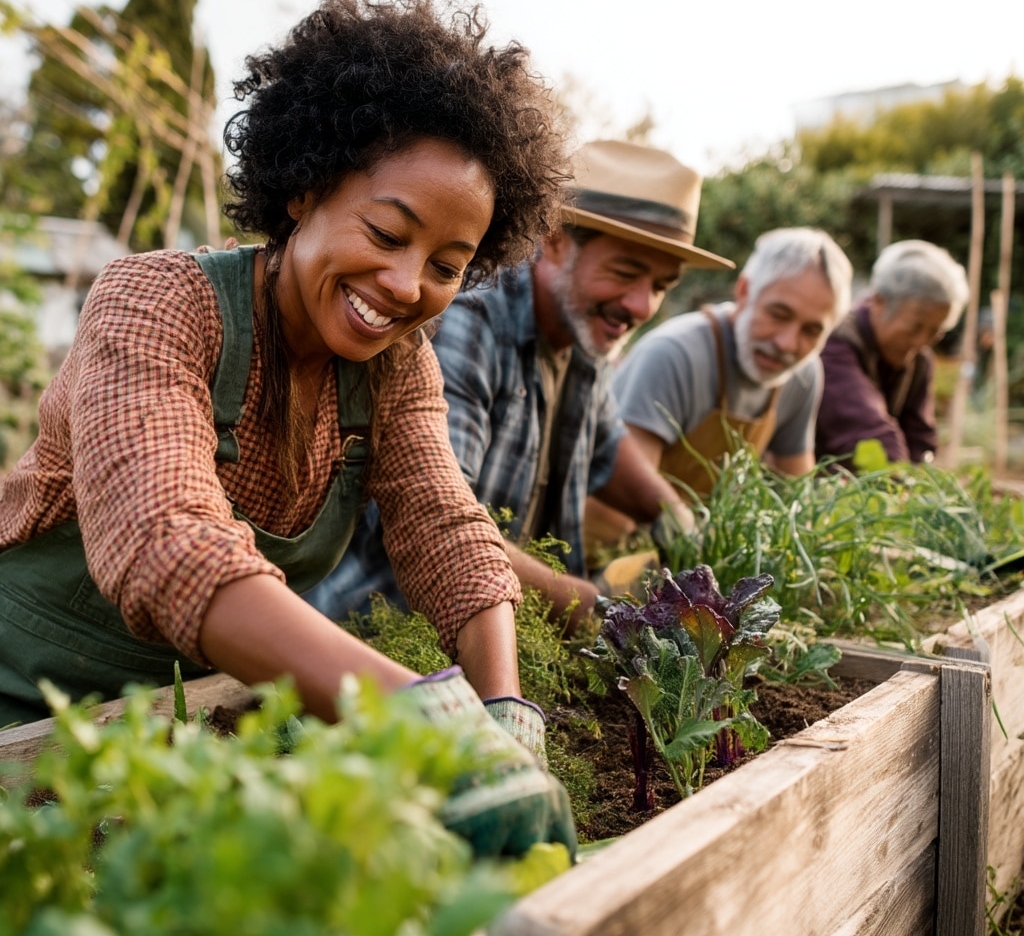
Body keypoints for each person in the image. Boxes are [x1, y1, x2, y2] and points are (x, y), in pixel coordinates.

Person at [0, 0, 576, 858]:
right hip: (18, 714)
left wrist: (502, 719)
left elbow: (448, 531)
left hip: (169, 737)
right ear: (306, 189)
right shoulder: (156, 303)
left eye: (448, 265)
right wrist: (419, 716)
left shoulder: (393, 367)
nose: (407, 284)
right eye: (387, 233)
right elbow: (168, 540)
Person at [306, 139, 735, 629]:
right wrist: (591, 606)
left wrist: (678, 519)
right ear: (554, 240)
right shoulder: (470, 320)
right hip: (386, 635)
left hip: (496, 631)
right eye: (625, 273)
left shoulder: (580, 335)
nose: (640, 306)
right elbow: (436, 524)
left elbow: (608, 449)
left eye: (661, 286)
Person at [607, 227, 853, 501]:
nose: (787, 344)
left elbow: (795, 491)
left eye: (811, 331)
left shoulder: (803, 374)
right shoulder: (673, 355)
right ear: (744, 291)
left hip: (697, 537)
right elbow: (628, 486)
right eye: (778, 315)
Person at [815, 239, 968, 468]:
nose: (921, 342)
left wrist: (925, 482)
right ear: (878, 301)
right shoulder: (836, 343)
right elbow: (868, 435)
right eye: (915, 327)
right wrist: (904, 487)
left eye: (935, 332)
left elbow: (921, 441)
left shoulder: (919, 360)